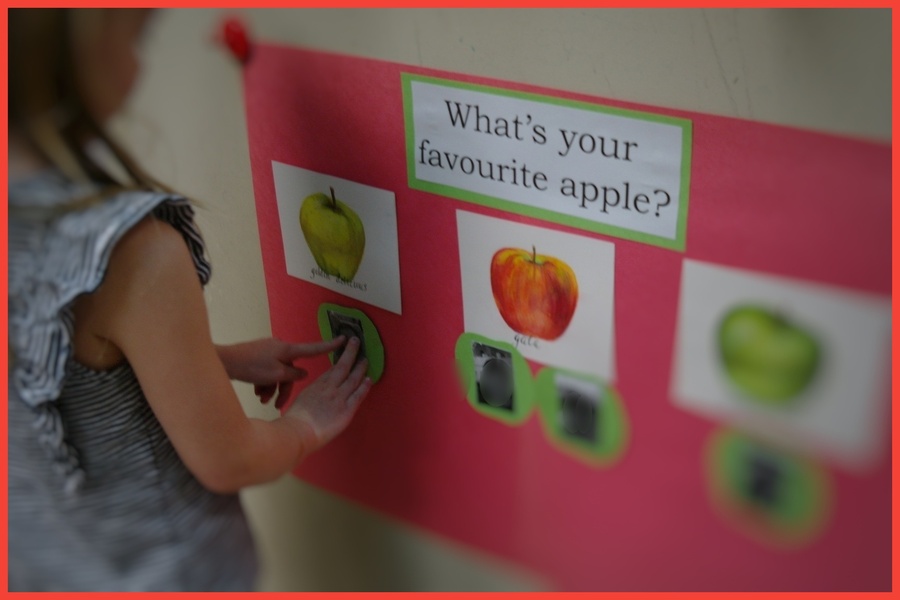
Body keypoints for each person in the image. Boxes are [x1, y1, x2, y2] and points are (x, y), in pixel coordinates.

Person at [7, 9, 373, 591]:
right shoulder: (130, 251)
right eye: (137, 35)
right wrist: (305, 423)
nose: (141, 62)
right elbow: (229, 460)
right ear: (80, 49)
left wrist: (214, 360)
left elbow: (46, 368)